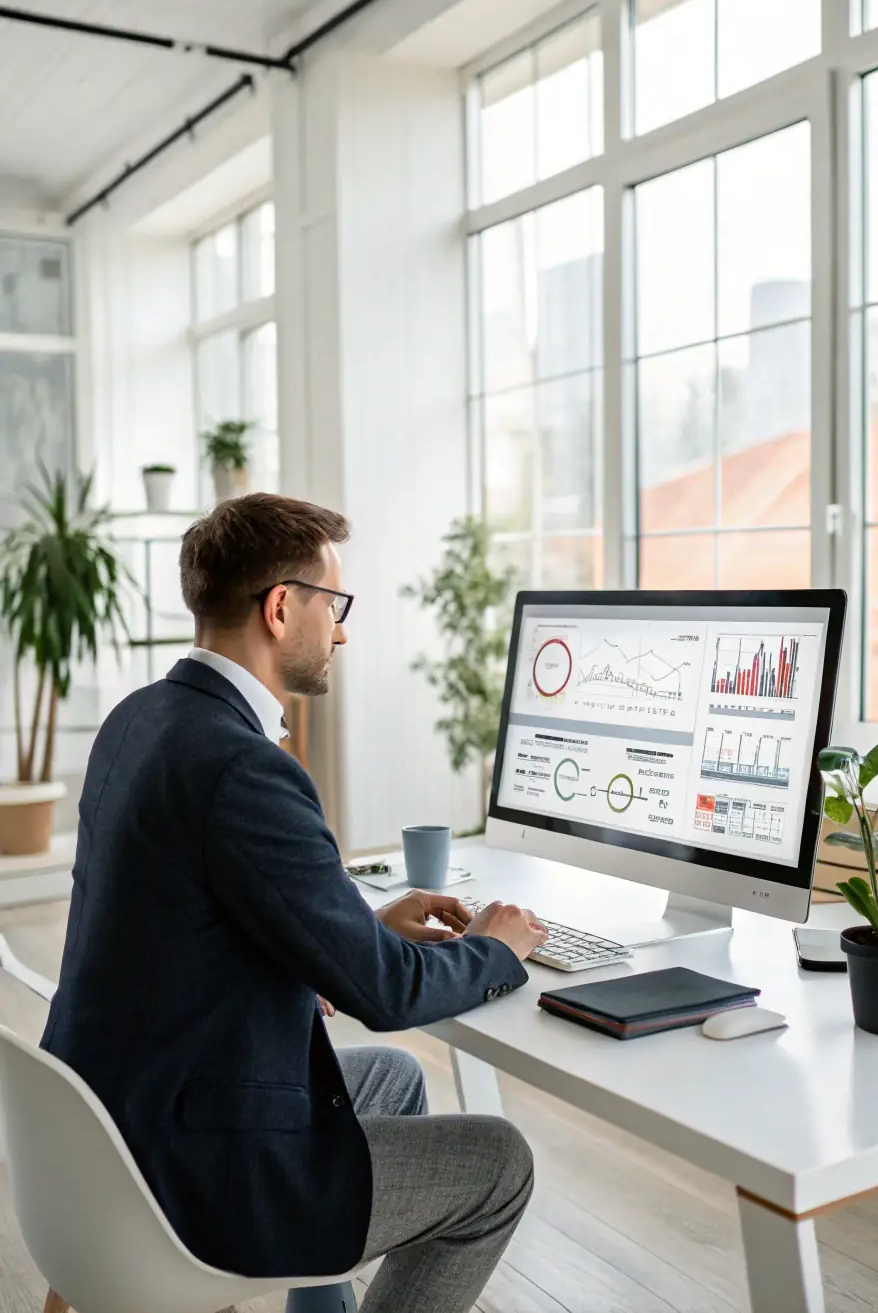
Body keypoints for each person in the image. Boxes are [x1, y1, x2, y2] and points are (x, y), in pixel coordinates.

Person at [41, 493, 547, 1313]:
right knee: (500, 1165)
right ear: (281, 608)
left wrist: (355, 930)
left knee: (390, 1082)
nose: (340, 632)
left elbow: (178, 930)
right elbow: (387, 993)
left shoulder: (138, 720)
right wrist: (496, 947)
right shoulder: (244, 768)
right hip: (191, 1174)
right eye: (334, 606)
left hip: (105, 1131)